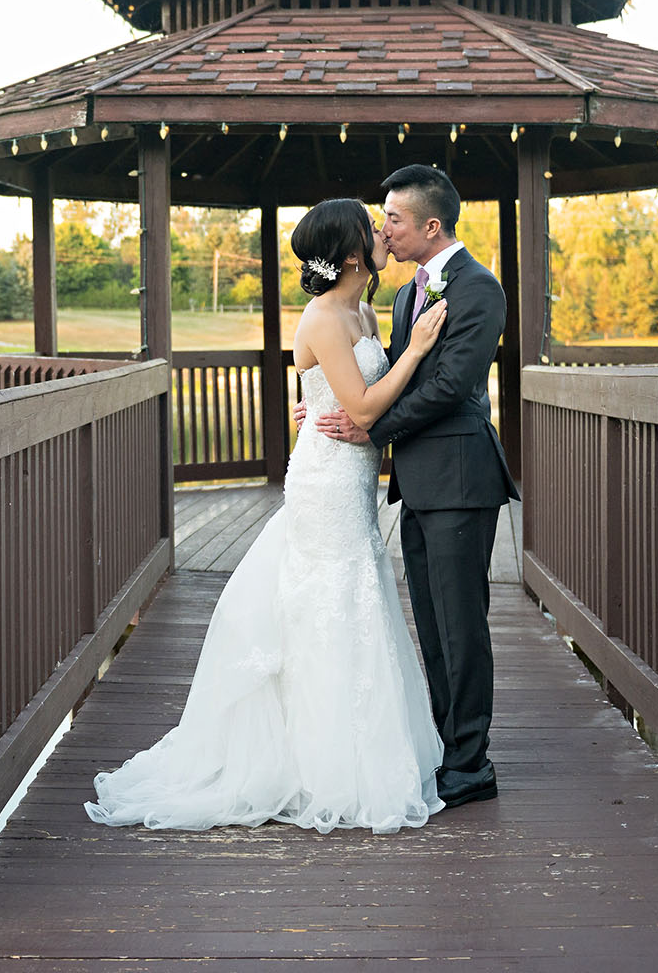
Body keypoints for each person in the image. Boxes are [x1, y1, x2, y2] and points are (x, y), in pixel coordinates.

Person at [85, 198, 450, 834]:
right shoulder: (323, 316)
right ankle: (317, 766)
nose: (383, 230)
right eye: (373, 225)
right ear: (354, 252)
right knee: (328, 603)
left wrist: (314, 405)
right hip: (326, 483)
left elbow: (336, 396)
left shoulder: (362, 309)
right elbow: (362, 409)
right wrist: (416, 351)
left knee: (354, 601)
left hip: (353, 477)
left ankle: (350, 750)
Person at [307, 164, 521, 809]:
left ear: (431, 225)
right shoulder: (403, 297)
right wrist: (336, 406)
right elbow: (388, 377)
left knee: (461, 625)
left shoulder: (479, 289)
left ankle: (471, 765)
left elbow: (451, 385)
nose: (385, 230)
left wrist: (368, 426)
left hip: (460, 477)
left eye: (394, 220)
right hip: (419, 484)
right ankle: (443, 747)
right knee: (430, 622)